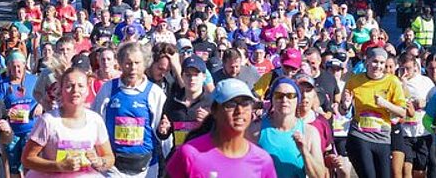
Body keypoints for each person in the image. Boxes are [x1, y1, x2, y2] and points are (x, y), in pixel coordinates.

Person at [165, 78, 277, 178]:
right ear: (214, 110)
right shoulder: (190, 154)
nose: (240, 111)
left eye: (246, 104)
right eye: (231, 104)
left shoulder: (262, 160)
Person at [21, 66, 115, 177]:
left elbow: (109, 158)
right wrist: (58, 166)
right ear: (61, 89)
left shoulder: (95, 120)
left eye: (81, 86)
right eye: (69, 86)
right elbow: (27, 159)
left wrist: (99, 161)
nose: (75, 90)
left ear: (87, 89)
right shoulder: (48, 121)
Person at [92, 42, 166, 178]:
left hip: (146, 167)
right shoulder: (108, 89)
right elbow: (95, 123)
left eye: (137, 63)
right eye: (128, 63)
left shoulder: (154, 92)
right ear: (119, 63)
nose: (133, 68)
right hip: (113, 167)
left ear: (145, 64)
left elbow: (163, 132)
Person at [340, 47, 407, 178]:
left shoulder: (392, 81)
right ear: (367, 62)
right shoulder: (355, 81)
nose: (378, 66)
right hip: (360, 135)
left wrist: (385, 104)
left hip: (383, 138)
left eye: (382, 63)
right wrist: (346, 105)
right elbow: (342, 111)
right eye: (375, 61)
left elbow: (402, 113)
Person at [247, 76, 326, 178]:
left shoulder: (309, 132)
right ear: (272, 99)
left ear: (298, 100)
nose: (284, 100)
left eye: (290, 95)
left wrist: (304, 151)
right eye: (279, 95)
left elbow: (319, 176)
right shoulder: (255, 130)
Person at [0, 51, 41, 178]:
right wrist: (6, 112)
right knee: (13, 165)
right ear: (8, 67)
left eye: (19, 66)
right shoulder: (3, 84)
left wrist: (40, 105)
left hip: (30, 129)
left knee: (29, 163)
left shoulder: (34, 80)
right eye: (13, 66)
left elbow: (45, 96)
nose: (16, 69)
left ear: (25, 65)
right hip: (12, 132)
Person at [398, 53, 436, 178]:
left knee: (419, 171)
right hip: (404, 133)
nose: (405, 72)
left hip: (422, 132)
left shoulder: (425, 81)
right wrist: (402, 84)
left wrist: (424, 104)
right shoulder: (395, 82)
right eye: (402, 68)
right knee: (405, 167)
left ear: (415, 67)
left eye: (408, 68)